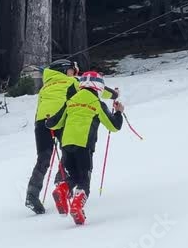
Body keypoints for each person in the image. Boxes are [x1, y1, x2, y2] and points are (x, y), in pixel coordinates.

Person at [25, 60, 119, 215]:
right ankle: (62, 183)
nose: (76, 73)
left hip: (43, 121)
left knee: (43, 158)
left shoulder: (44, 87)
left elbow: (39, 106)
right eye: (72, 70)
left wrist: (41, 124)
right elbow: (93, 88)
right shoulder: (72, 81)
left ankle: (32, 193)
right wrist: (114, 94)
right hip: (64, 117)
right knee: (69, 150)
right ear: (64, 71)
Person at [46, 71, 124, 225]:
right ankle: (76, 206)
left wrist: (48, 122)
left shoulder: (71, 101)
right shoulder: (97, 103)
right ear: (99, 87)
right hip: (84, 145)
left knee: (73, 175)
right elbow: (113, 126)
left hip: (66, 144)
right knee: (84, 179)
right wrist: (119, 112)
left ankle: (62, 189)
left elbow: (54, 123)